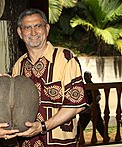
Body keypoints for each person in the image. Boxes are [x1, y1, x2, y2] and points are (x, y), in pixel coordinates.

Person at [12, 8, 88, 146]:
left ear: (47, 29)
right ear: (20, 32)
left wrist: (42, 126)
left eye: (38, 26)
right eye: (27, 27)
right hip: (26, 143)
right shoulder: (18, 65)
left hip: (60, 143)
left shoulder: (65, 58)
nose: (33, 32)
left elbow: (76, 105)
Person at [79, 71, 109, 141]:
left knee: (99, 125)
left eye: (88, 76)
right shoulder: (83, 86)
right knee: (81, 125)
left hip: (94, 108)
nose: (86, 78)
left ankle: (106, 138)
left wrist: (91, 106)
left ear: (91, 77)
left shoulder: (93, 86)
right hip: (86, 110)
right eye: (85, 76)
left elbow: (98, 97)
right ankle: (76, 139)